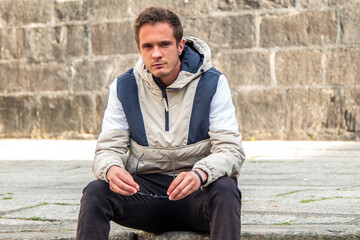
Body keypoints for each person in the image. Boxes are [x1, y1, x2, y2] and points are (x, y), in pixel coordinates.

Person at [76, 6, 245, 240]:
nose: (156, 53)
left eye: (164, 44)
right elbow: (108, 149)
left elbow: (231, 150)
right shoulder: (124, 87)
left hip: (197, 192)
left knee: (226, 189)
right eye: (148, 46)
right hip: (145, 195)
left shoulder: (214, 83)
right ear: (139, 49)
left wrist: (200, 174)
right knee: (95, 192)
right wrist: (112, 169)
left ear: (180, 45)